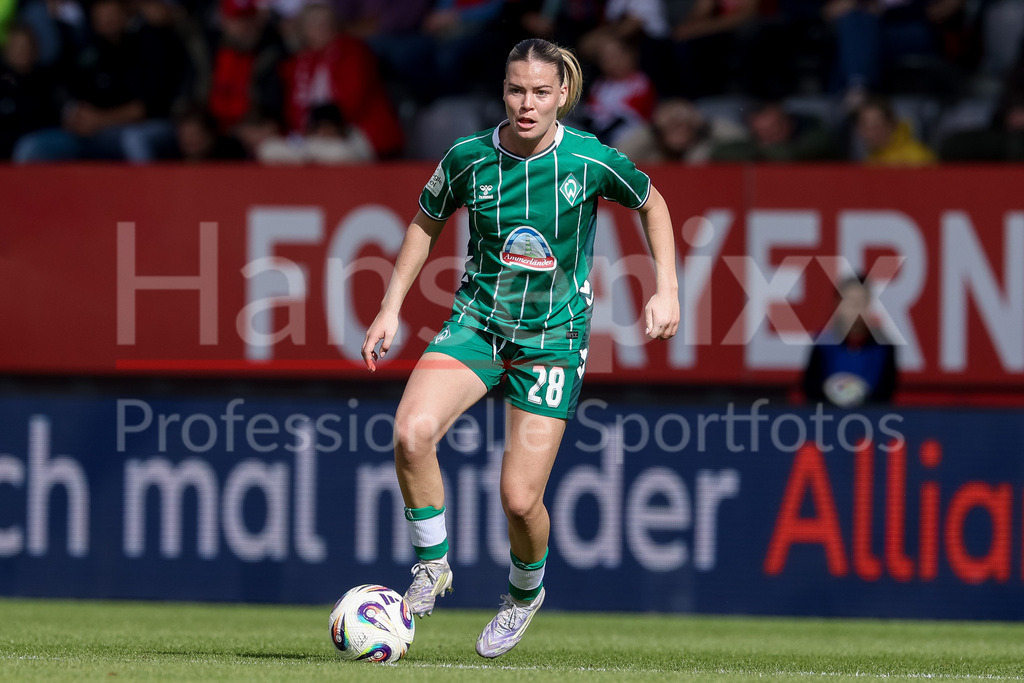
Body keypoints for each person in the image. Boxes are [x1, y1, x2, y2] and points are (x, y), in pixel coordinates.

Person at [360, 38, 679, 658]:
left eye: (539, 92)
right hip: (479, 325)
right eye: (515, 90)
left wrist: (666, 290)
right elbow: (426, 221)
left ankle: (523, 593)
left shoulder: (589, 159)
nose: (526, 104)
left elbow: (653, 202)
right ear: (502, 92)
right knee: (410, 433)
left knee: (519, 499)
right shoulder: (468, 158)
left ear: (563, 94)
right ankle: (432, 564)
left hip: (552, 343)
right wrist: (390, 306)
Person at [802, 274, 897, 408]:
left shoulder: (884, 347)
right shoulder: (822, 344)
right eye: (850, 302)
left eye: (861, 301)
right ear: (838, 305)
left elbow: (885, 393)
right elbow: (811, 389)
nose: (856, 309)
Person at [853, 95, 936, 165]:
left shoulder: (918, 158)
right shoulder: (870, 158)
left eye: (876, 126)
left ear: (891, 124)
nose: (870, 133)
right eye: (865, 127)